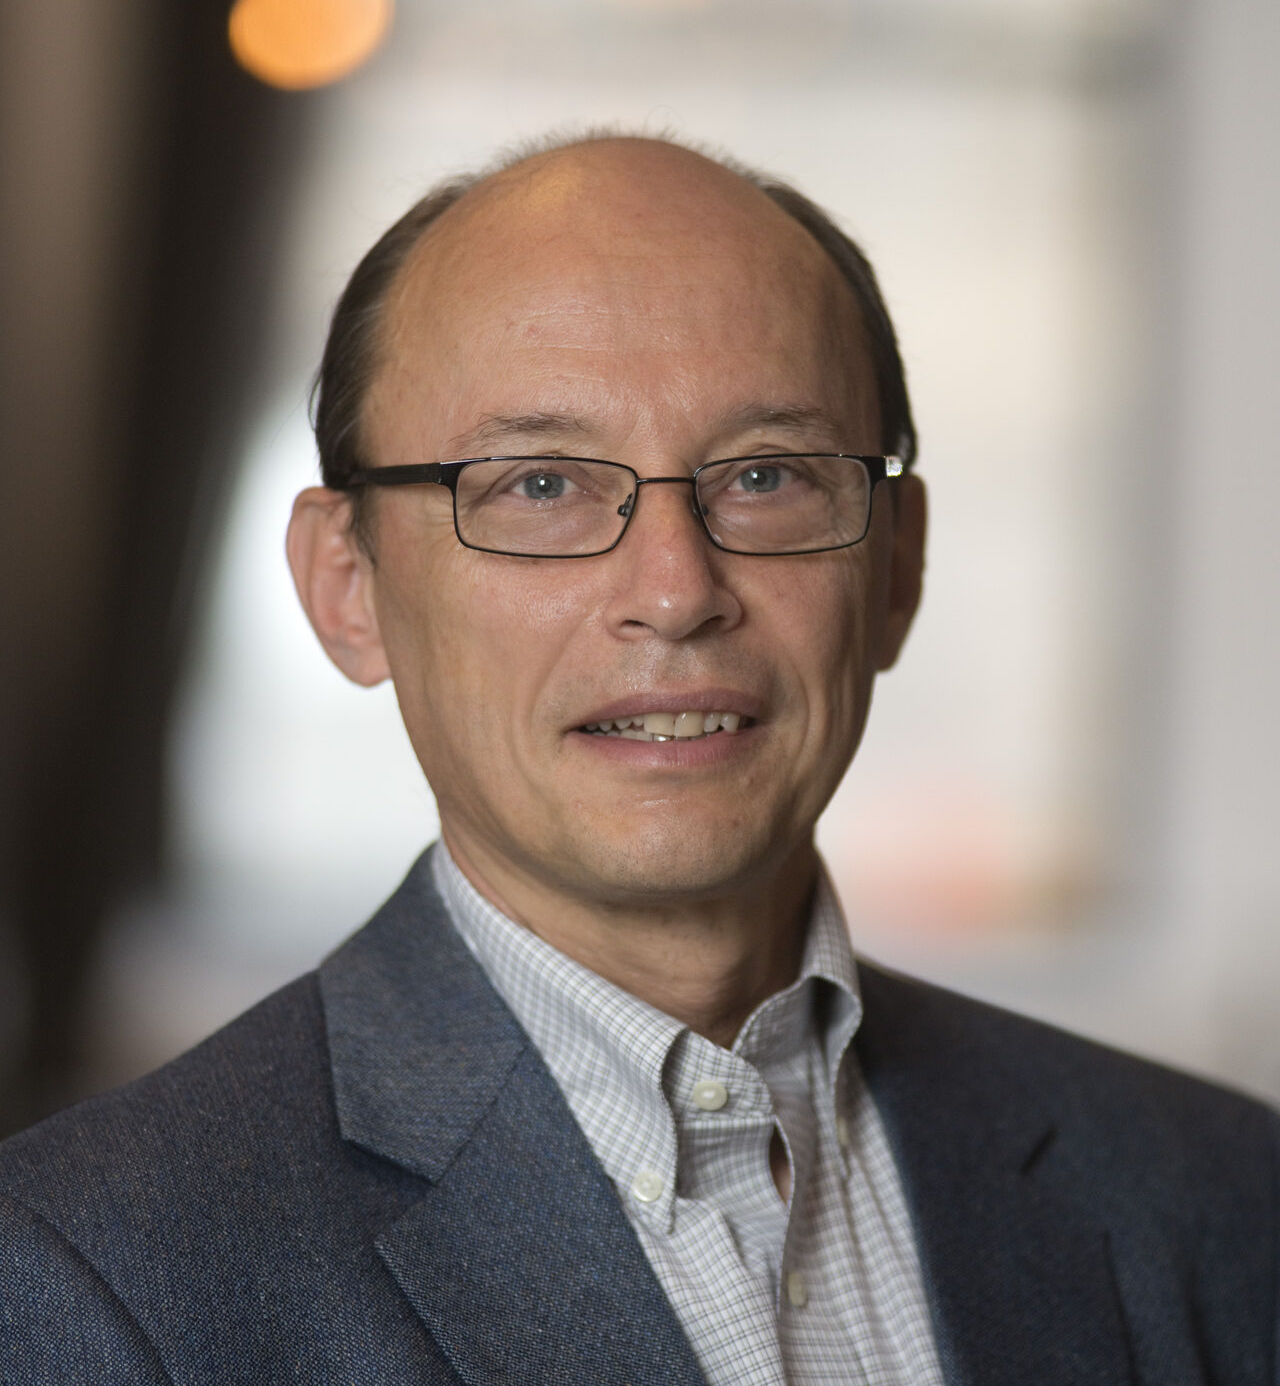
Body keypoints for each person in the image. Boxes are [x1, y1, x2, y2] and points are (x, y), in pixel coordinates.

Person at [0, 133, 1275, 1385]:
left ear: (895, 565)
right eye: (539, 485)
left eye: (767, 475)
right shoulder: (87, 1280)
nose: (673, 593)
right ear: (347, 586)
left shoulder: (1218, 1200)